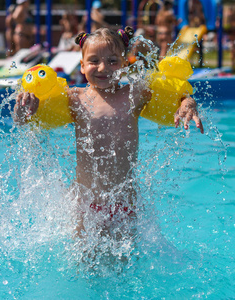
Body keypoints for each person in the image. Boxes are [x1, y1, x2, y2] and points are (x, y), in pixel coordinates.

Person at [13, 27, 204, 235]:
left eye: (112, 61)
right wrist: (24, 109)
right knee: (84, 263)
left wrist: (187, 102)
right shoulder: (74, 98)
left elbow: (173, 96)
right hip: (85, 205)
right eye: (94, 60)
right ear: (82, 66)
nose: (103, 67)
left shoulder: (136, 94)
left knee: (126, 263)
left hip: (125, 203)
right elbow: (28, 122)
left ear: (123, 65)